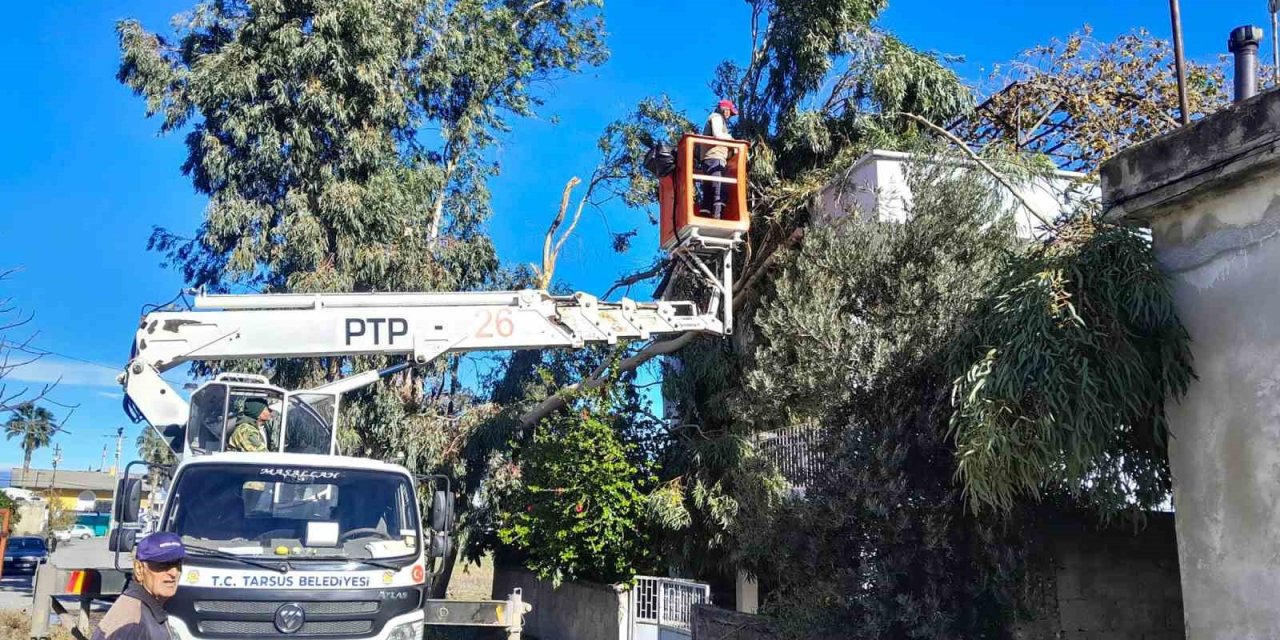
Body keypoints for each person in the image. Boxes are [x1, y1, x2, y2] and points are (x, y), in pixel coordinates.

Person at [91, 532, 185, 640]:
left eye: (177, 564)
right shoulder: (133, 625)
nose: (174, 573)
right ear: (139, 569)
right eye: (164, 565)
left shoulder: (146, 609)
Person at [700, 99, 738, 219]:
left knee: (708, 190)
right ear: (724, 109)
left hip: (710, 158)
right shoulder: (716, 117)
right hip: (715, 157)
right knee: (719, 188)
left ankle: (705, 215)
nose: (729, 115)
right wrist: (731, 139)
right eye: (729, 112)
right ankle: (717, 217)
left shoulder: (718, 119)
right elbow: (717, 134)